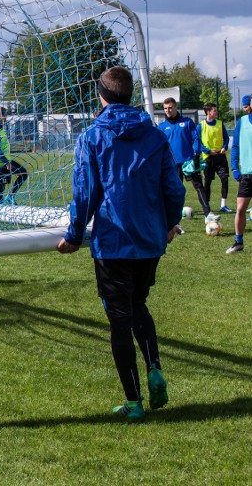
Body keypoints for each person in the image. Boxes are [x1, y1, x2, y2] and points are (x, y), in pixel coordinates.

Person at [57, 67, 186, 422]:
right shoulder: (155, 135)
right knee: (138, 304)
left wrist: (72, 234)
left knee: (118, 320)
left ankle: (134, 402)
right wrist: (169, 223)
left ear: (101, 95)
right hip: (148, 241)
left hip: (114, 242)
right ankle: (155, 366)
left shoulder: (92, 136)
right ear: (129, 94)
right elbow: (174, 189)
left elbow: (84, 193)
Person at [158, 97, 211, 219]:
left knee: (198, 186)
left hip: (188, 162)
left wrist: (196, 155)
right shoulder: (161, 127)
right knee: (174, 191)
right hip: (172, 164)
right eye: (165, 108)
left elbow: (196, 138)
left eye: (170, 107)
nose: (168, 110)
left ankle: (208, 214)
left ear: (176, 107)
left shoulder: (187, 122)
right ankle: (174, 217)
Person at [226, 94, 252, 254]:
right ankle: (238, 242)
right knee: (241, 209)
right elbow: (235, 146)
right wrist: (235, 168)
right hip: (247, 175)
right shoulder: (242, 122)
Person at [0, 106, 28, 204]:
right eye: (6, 114)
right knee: (0, 189)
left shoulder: (1, 128)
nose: (7, 116)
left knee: (23, 173)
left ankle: (11, 196)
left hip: (6, 162)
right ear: (2, 115)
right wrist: (6, 162)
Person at [198, 103, 232, 213]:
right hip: (208, 158)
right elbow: (197, 142)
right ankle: (207, 206)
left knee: (225, 179)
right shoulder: (201, 125)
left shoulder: (220, 124)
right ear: (208, 112)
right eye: (214, 110)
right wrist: (208, 151)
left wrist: (224, 147)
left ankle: (223, 205)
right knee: (207, 182)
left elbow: (226, 138)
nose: (216, 112)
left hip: (220, 157)